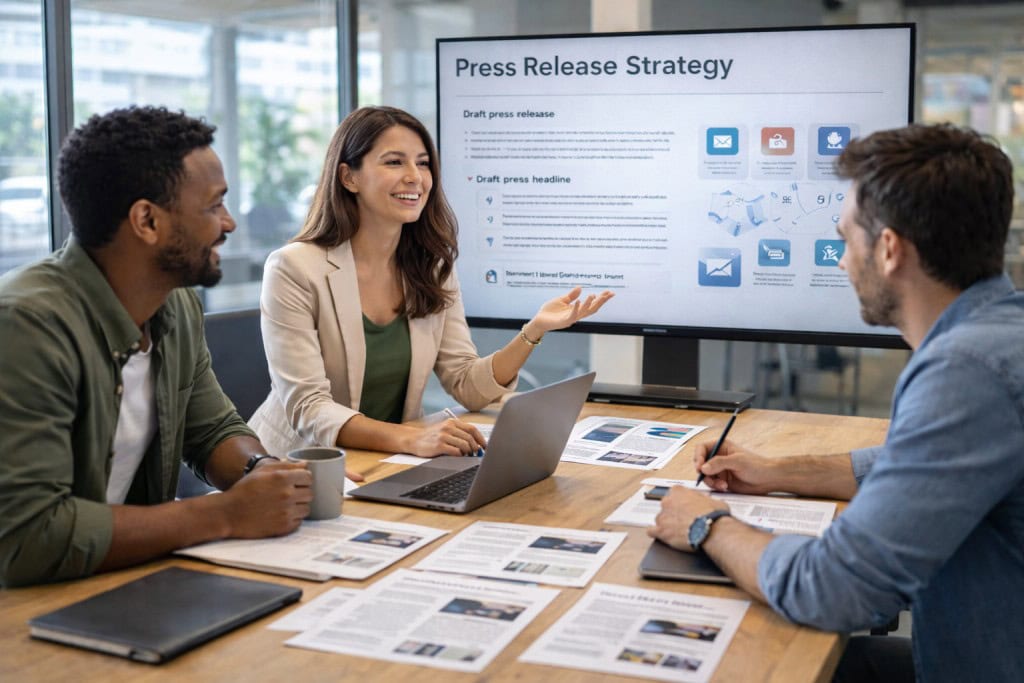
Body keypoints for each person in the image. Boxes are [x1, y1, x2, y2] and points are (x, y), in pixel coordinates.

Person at [649, 123, 1024, 682]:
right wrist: (775, 471)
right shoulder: (1001, 331)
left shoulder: (964, 370)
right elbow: (915, 467)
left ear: (890, 249)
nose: (843, 261)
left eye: (847, 239)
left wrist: (708, 526)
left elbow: (835, 590)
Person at [0, 106, 359, 588]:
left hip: (121, 578)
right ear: (146, 221)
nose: (229, 224)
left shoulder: (175, 309)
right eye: (214, 206)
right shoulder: (26, 326)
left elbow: (211, 430)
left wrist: (262, 473)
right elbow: (29, 536)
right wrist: (224, 516)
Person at [249, 106, 612, 458]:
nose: (415, 177)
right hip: (296, 466)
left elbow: (467, 385)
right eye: (394, 162)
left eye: (422, 163)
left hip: (385, 461)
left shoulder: (430, 267)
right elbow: (309, 408)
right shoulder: (293, 268)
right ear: (349, 177)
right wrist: (412, 439)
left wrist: (533, 330)